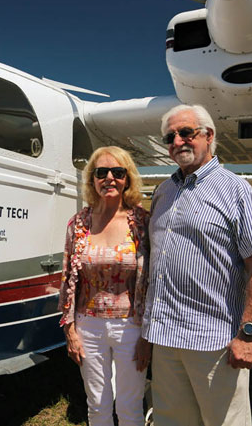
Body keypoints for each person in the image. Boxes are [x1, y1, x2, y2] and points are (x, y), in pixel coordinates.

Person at [141, 104, 252, 426]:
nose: (177, 141)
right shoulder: (164, 191)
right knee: (172, 420)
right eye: (169, 137)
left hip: (213, 339)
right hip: (165, 335)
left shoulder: (235, 189)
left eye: (186, 132)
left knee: (225, 422)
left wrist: (248, 335)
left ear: (209, 136)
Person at [58, 146, 151, 426]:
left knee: (129, 405)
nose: (109, 178)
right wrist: (70, 330)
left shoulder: (142, 223)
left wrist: (147, 336)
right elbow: (67, 280)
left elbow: (153, 280)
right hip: (88, 326)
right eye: (102, 172)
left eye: (118, 172)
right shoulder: (78, 224)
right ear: (92, 180)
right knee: (96, 405)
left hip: (131, 327)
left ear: (128, 179)